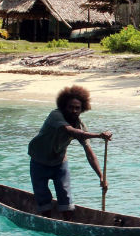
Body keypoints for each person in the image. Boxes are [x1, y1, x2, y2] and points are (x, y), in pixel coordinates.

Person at [28, 85, 112, 218]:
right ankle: (47, 220)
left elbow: (89, 152)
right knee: (43, 198)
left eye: (77, 108)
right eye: (70, 107)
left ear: (82, 109)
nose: (74, 111)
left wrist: (101, 176)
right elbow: (72, 132)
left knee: (66, 199)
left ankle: (68, 222)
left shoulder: (79, 124)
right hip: (39, 161)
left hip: (59, 163)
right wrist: (99, 136)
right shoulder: (55, 115)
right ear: (64, 107)